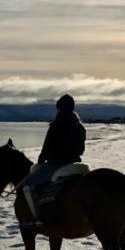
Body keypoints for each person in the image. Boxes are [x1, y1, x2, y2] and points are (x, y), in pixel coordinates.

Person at [20, 94, 87, 226]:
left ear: (59, 109)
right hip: (74, 164)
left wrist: (41, 161)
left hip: (57, 164)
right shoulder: (80, 126)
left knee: (29, 183)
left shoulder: (56, 125)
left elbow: (46, 147)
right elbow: (81, 150)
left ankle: (36, 216)